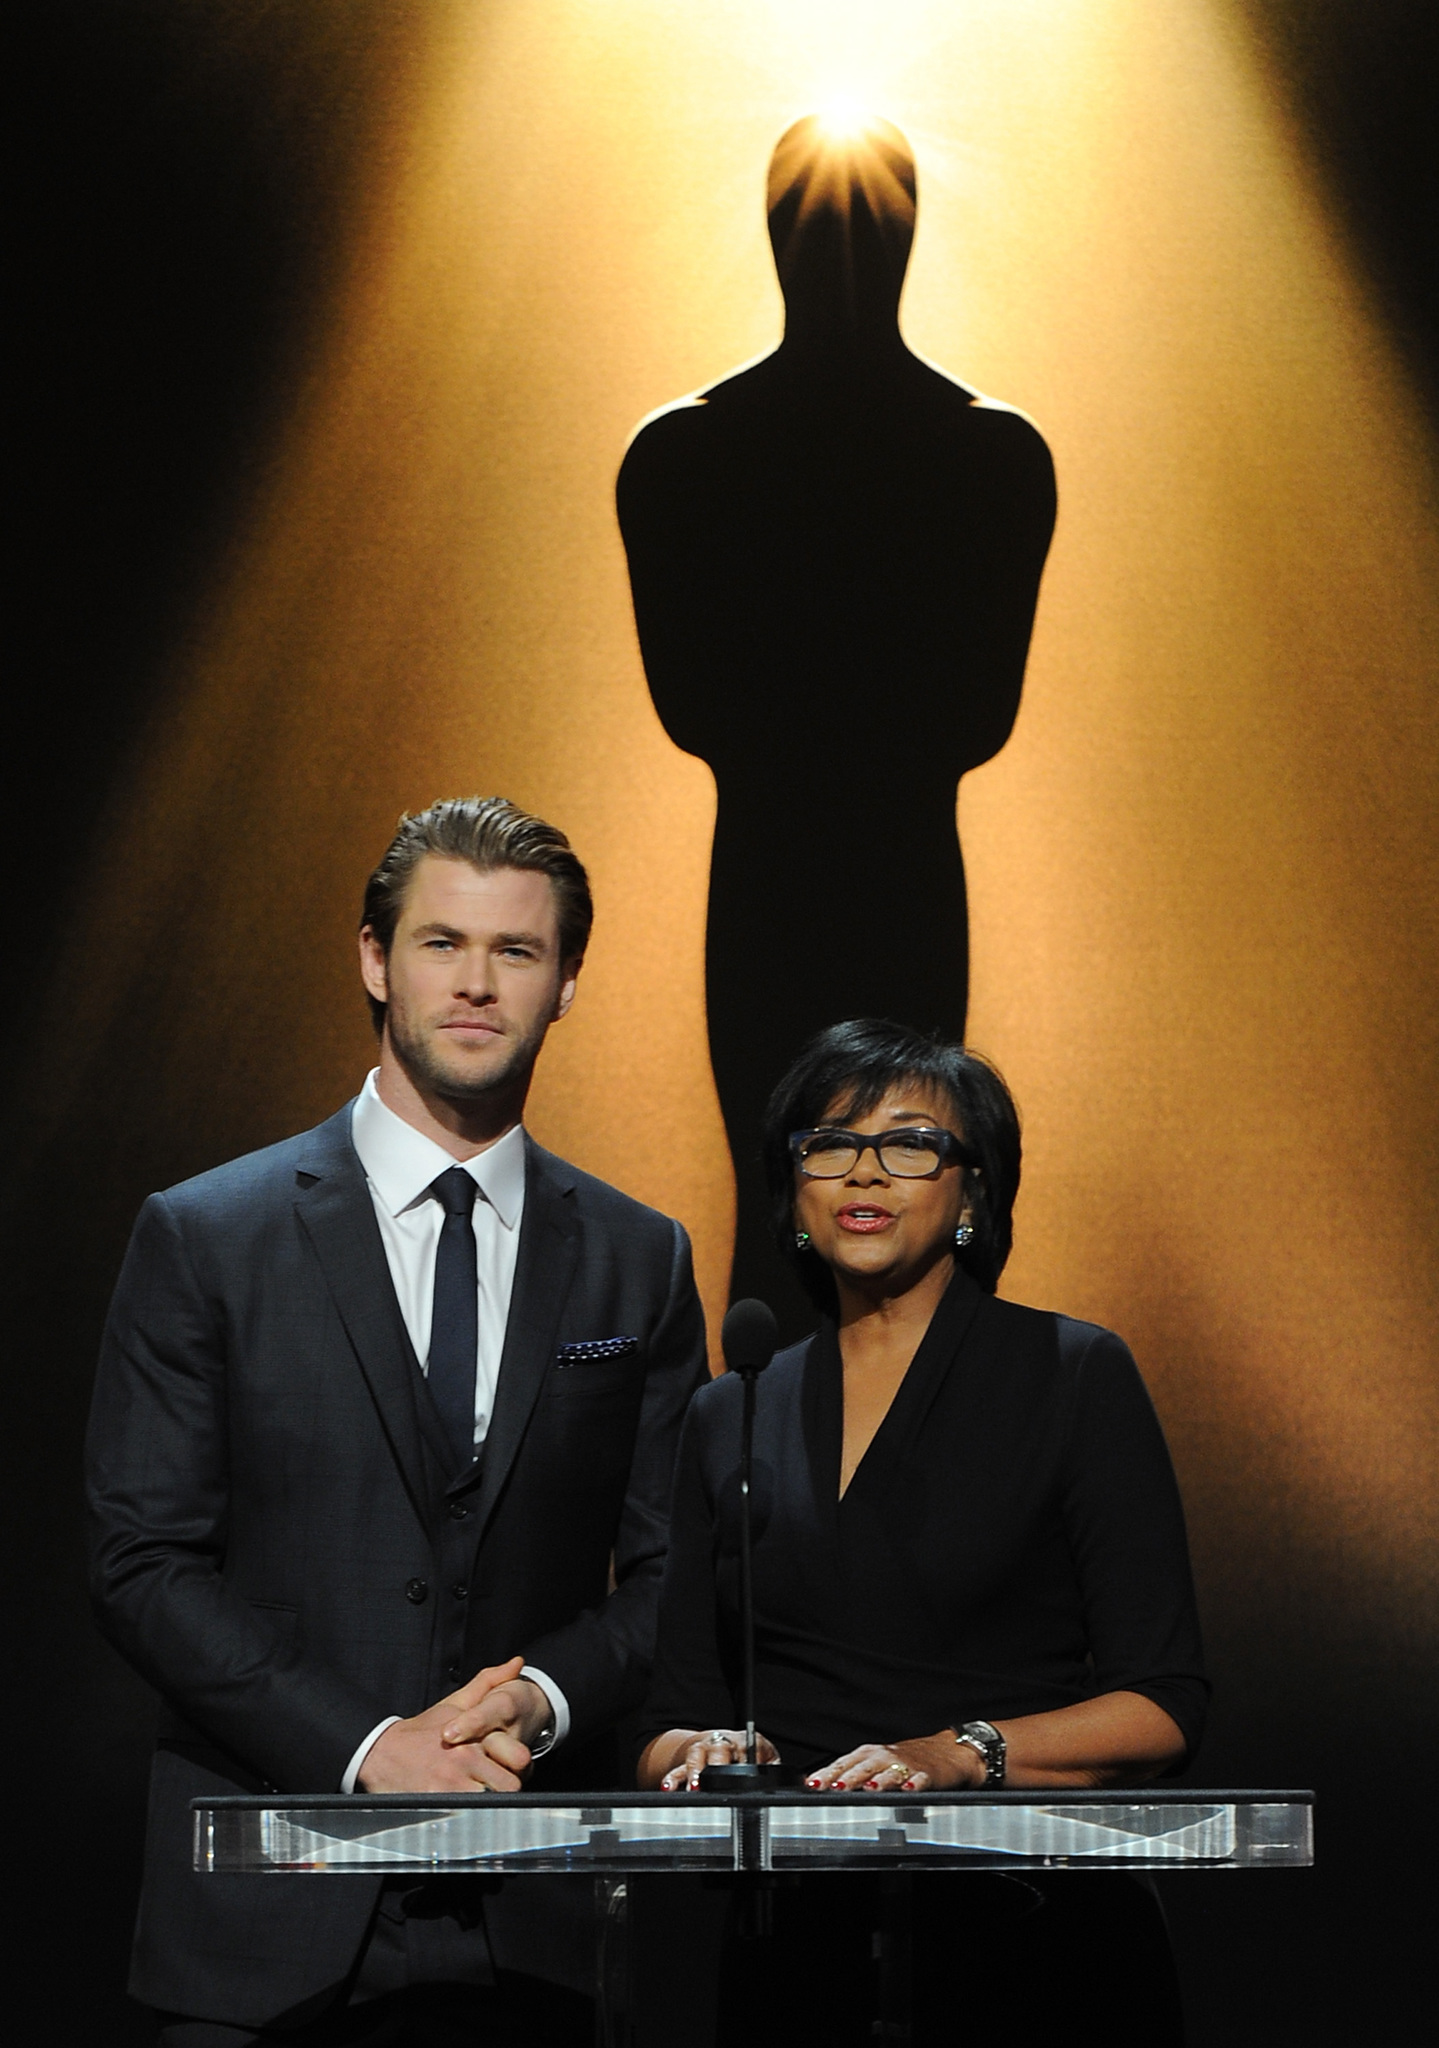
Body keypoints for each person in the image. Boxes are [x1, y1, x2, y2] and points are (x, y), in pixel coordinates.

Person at [86, 796, 708, 2047]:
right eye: (440, 943)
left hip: (533, 1920)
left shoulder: (639, 1256)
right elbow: (140, 1560)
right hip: (263, 1919)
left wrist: (542, 1693)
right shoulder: (207, 1234)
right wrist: (366, 1744)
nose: (475, 983)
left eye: (516, 951)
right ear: (374, 958)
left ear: (567, 981)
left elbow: (672, 1572)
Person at [638, 1019, 1207, 2046]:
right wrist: (695, 1749)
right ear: (794, 1192)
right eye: (828, 1143)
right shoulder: (734, 1406)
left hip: (1029, 1943)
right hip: (792, 1954)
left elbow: (1161, 1703)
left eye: (908, 1144)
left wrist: (958, 1753)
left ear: (972, 1191)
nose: (864, 1170)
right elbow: (669, 1709)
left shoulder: (1070, 1373)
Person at [617, 114, 1055, 1325]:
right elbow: (975, 717)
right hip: (903, 875)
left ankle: (773, 1495)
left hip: (765, 877)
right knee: (898, 1197)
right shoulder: (991, 458)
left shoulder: (685, 457)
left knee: (791, 1210)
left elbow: (691, 707)